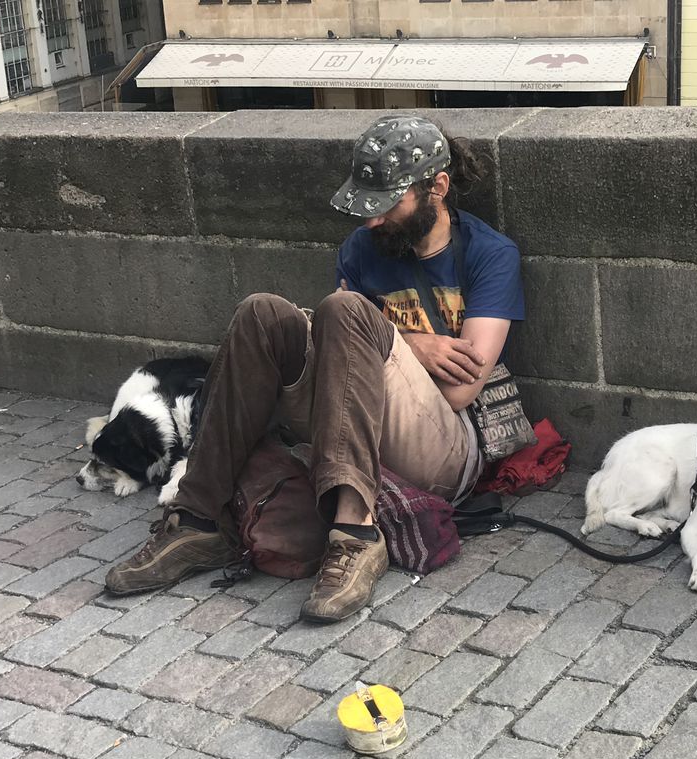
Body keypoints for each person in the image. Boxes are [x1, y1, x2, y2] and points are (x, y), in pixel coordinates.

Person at [104, 114, 526, 622]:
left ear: (436, 187)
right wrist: (413, 343)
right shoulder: (362, 249)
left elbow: (459, 393)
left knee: (344, 310)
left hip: (443, 446)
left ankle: (355, 535)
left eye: (386, 205)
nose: (370, 221)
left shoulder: (489, 254)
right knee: (262, 312)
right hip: (353, 420)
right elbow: (349, 358)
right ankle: (197, 521)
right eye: (365, 207)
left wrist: (384, 337)